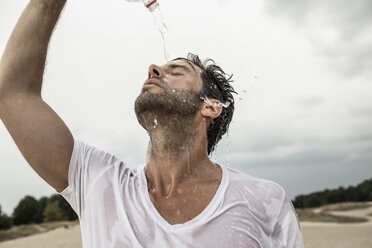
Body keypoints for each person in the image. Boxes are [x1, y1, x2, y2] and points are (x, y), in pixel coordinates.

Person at [0, 0, 304, 247]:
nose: (155, 68)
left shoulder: (264, 202)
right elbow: (11, 93)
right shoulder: (98, 182)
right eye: (161, 67)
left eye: (177, 71)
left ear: (211, 106)